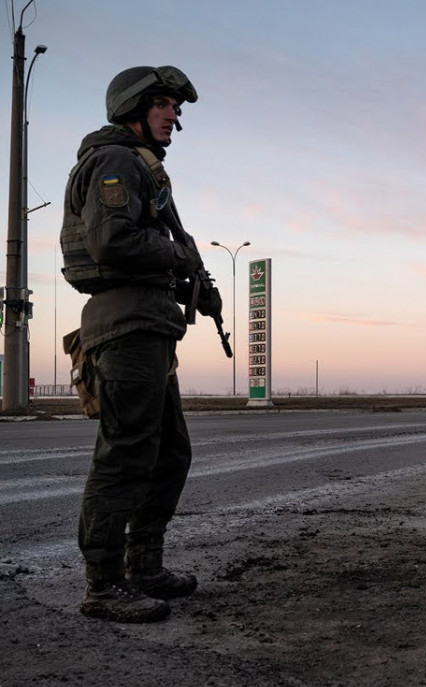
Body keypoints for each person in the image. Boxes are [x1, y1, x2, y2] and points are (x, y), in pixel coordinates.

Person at [59, 65, 221, 623]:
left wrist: (191, 287)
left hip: (148, 325)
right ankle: (103, 585)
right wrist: (181, 261)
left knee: (170, 452)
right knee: (126, 453)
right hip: (125, 326)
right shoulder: (116, 161)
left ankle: (143, 565)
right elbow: (114, 241)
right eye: (166, 105)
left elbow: (140, 243)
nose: (175, 116)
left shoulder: (141, 168)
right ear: (135, 107)